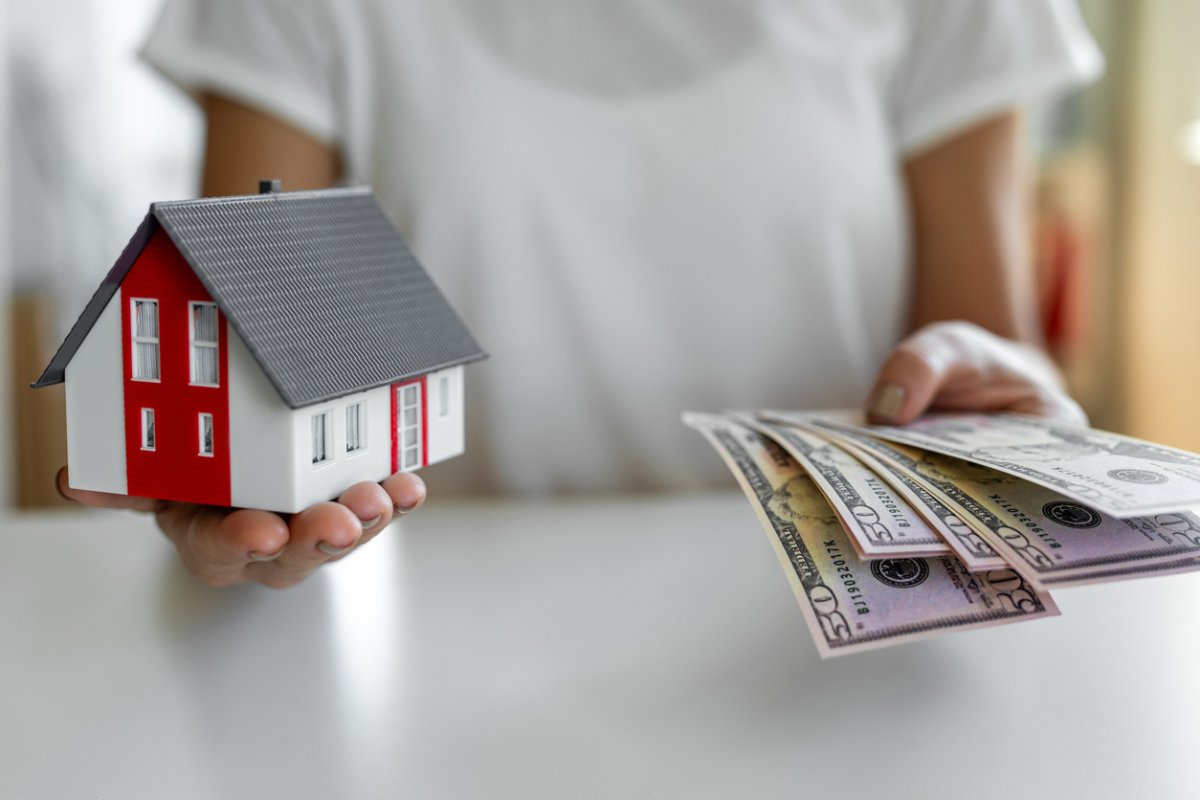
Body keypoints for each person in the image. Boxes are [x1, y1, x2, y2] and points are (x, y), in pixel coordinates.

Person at [58, 0, 1102, 587]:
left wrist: (1010, 427)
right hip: (444, 643)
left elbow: (980, 354)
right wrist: (258, 516)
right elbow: (242, 311)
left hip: (835, 628)